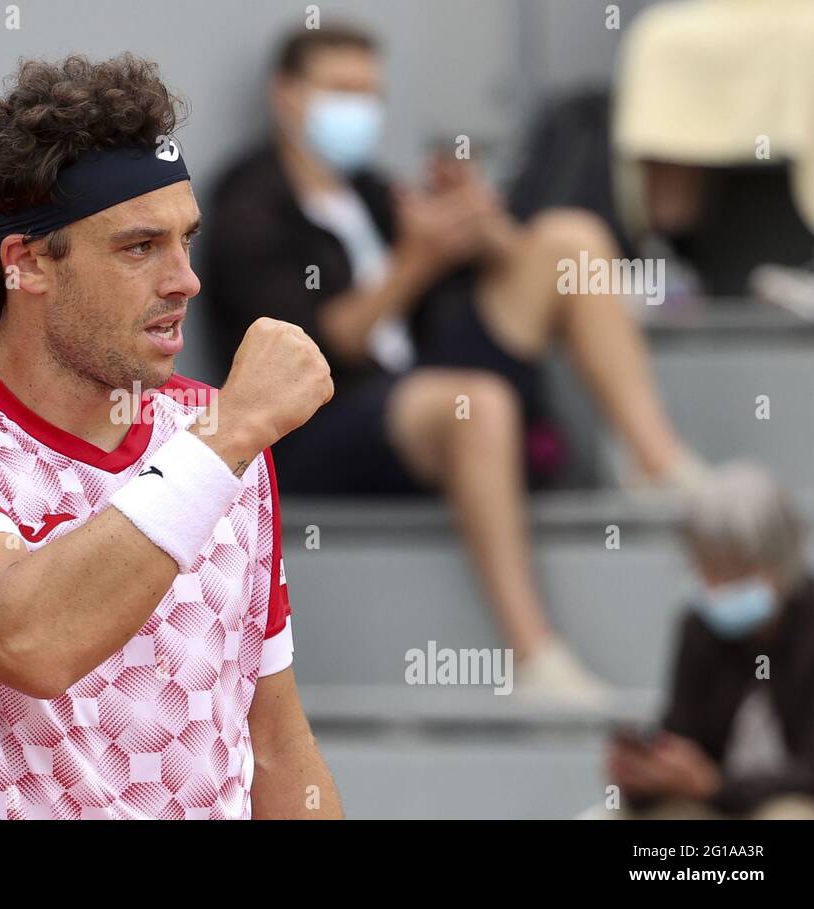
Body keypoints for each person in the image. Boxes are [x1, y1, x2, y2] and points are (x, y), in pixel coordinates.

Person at [0, 53, 343, 819]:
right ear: (27, 263)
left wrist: (226, 436)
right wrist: (228, 432)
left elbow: (274, 745)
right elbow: (29, 637)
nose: (184, 279)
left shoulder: (221, 438)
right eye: (139, 247)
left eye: (186, 240)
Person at [203, 23, 703, 705]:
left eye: (369, 94)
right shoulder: (251, 200)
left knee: (569, 239)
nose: (360, 111)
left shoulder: (374, 190)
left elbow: (458, 287)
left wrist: (481, 226)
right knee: (480, 404)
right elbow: (315, 346)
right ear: (287, 96)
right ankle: (536, 655)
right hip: (328, 416)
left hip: (421, 381)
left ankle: (656, 461)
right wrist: (419, 259)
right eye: (341, 91)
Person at [605, 461, 814, 820]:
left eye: (734, 570)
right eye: (708, 569)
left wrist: (716, 785)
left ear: (780, 561)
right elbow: (684, 736)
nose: (717, 587)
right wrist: (646, 775)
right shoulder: (698, 628)